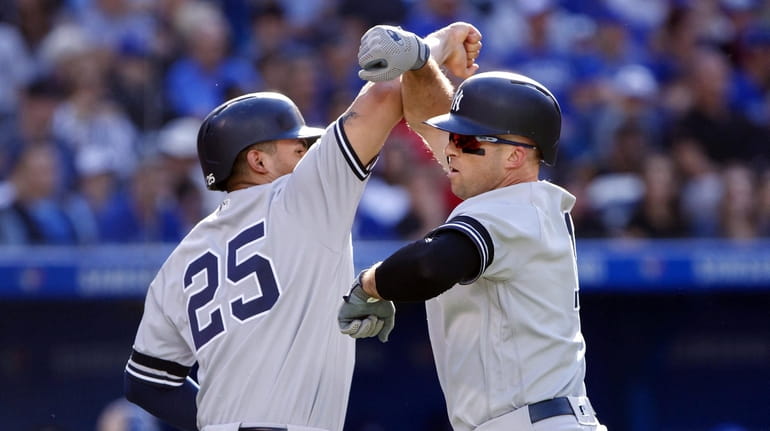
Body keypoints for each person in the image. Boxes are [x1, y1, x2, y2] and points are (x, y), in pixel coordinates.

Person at [122, 21, 483, 431]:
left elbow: (146, 383)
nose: (309, 153)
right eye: (298, 147)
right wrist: (442, 42)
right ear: (258, 161)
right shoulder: (300, 198)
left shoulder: (180, 259)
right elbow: (386, 93)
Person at [337, 69, 607, 429]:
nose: (449, 149)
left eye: (464, 141)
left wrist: (370, 285)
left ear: (514, 156)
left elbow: (429, 266)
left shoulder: (515, 208)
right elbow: (427, 120)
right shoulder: (518, 200)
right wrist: (422, 62)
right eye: (452, 137)